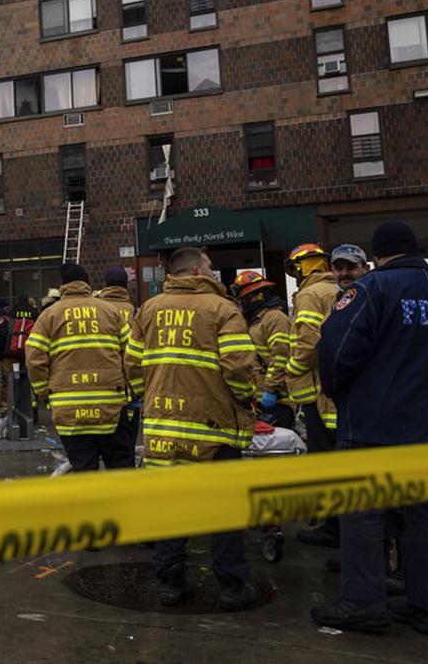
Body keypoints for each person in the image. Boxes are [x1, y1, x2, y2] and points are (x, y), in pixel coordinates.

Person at [311, 221, 428, 636]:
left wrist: (341, 394)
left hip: (372, 426)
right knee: (427, 516)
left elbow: (335, 351)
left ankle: (363, 603)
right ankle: (427, 608)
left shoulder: (369, 291)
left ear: (378, 254)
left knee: (363, 514)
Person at [130, 247, 259, 611]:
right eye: (211, 266)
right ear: (198, 269)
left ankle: (170, 584)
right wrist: (246, 398)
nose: (215, 271)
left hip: (161, 429)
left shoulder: (149, 309)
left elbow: (132, 363)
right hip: (214, 429)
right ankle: (233, 587)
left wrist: (149, 397)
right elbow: (238, 368)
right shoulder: (222, 309)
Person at [27, 263, 139, 472]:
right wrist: (132, 389)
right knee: (121, 467)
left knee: (84, 469)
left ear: (62, 286)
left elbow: (34, 358)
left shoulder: (49, 316)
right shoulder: (110, 311)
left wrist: (44, 392)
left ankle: (91, 504)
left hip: (68, 408)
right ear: (87, 284)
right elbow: (131, 355)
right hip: (110, 405)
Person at [284, 243, 342, 548]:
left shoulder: (309, 294)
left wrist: (290, 370)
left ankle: (335, 529)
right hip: (340, 393)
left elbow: (308, 343)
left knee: (327, 464)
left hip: (318, 394)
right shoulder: (340, 290)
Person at [230, 271, 295, 430]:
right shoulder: (253, 321)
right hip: (258, 400)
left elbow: (280, 357)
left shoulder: (274, 319)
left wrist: (270, 389)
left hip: (278, 401)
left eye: (248, 298)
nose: (245, 303)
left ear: (261, 295)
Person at [95, 266, 145, 467]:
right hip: (128, 390)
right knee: (124, 450)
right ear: (127, 286)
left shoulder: (94, 310)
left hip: (98, 387)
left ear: (104, 285)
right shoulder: (135, 312)